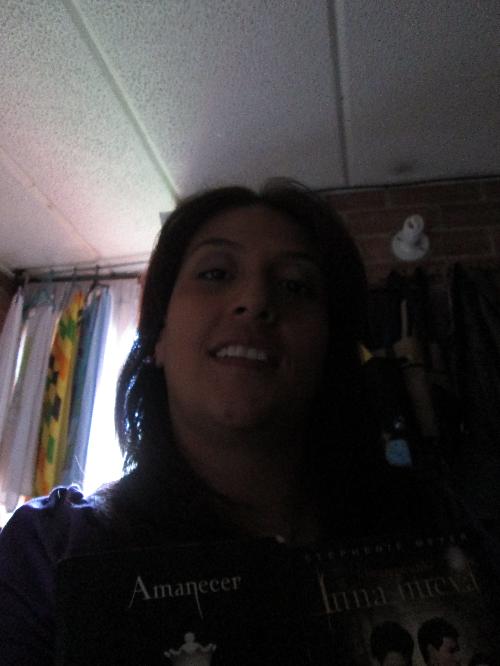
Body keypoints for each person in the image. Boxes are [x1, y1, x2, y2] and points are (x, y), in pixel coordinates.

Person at [0, 181, 463, 663]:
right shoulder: (45, 555)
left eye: (296, 286)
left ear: (332, 348)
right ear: (157, 338)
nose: (255, 300)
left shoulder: (436, 525)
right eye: (216, 273)